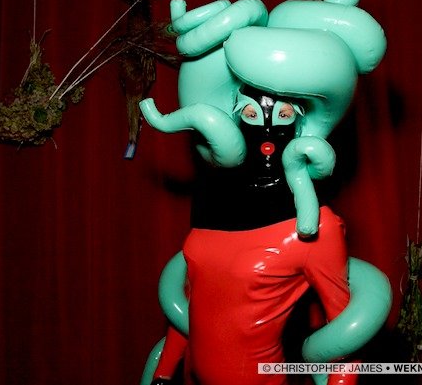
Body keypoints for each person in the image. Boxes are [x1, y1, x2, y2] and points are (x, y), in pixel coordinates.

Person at [149, 86, 356, 385]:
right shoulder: (212, 197)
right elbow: (199, 298)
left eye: (284, 114)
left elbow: (345, 337)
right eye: (251, 114)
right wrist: (164, 373)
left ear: (300, 123)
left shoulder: (317, 226)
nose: (267, 130)